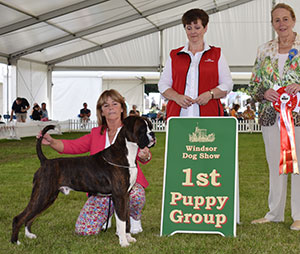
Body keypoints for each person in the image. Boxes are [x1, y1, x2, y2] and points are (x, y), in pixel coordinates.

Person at [39, 89, 151, 235]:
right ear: (101, 112)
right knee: (84, 230)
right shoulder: (96, 133)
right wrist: (52, 142)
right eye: (105, 105)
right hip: (100, 191)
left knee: (136, 194)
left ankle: (133, 217)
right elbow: (73, 146)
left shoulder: (132, 129)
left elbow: (146, 155)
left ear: (122, 108)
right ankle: (107, 215)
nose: (110, 107)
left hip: (125, 186)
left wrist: (144, 155)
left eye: (114, 104)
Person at [248, 3, 300, 230]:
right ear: (272, 24)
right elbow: (253, 85)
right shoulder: (264, 50)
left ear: (293, 20)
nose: (281, 24)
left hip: (297, 116)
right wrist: (263, 92)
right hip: (271, 117)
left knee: (298, 166)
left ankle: (299, 215)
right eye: (277, 20)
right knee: (275, 166)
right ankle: (274, 213)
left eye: (285, 19)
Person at [158, 8, 233, 119]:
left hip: (209, 116)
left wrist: (210, 94)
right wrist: (177, 97)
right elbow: (163, 85)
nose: (193, 32)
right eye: (189, 28)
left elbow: (227, 84)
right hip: (178, 117)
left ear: (205, 28)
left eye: (197, 27)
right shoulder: (174, 55)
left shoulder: (217, 54)